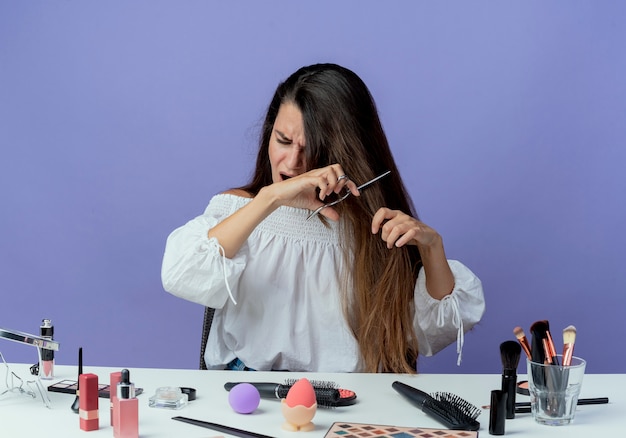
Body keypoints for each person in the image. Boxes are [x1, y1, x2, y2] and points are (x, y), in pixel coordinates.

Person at [161, 63, 484, 373]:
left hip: (352, 399)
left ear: (345, 150)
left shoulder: (377, 228)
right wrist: (270, 198)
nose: (292, 162)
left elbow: (434, 335)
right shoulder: (239, 209)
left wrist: (431, 249)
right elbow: (182, 276)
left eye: (311, 148)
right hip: (249, 391)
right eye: (282, 140)